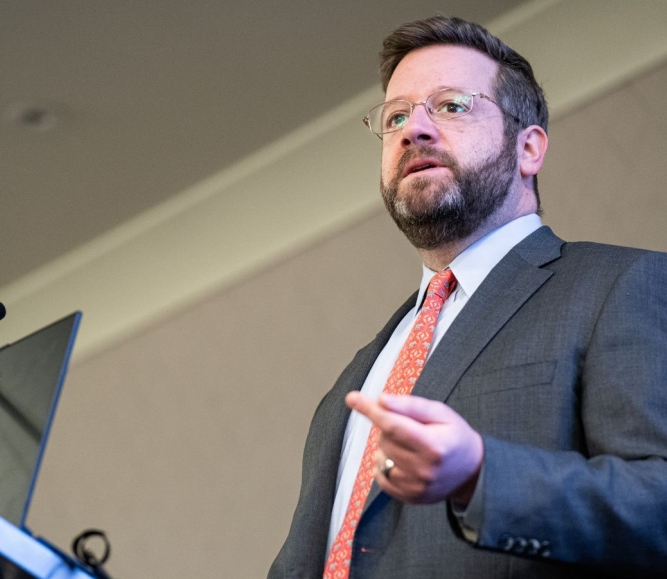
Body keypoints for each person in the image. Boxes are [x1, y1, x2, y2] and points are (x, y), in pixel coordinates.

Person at [268, 15, 667, 579]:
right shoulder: (352, 383)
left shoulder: (623, 287)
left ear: (529, 148)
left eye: (452, 105)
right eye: (397, 116)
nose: (414, 130)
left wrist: (482, 474)